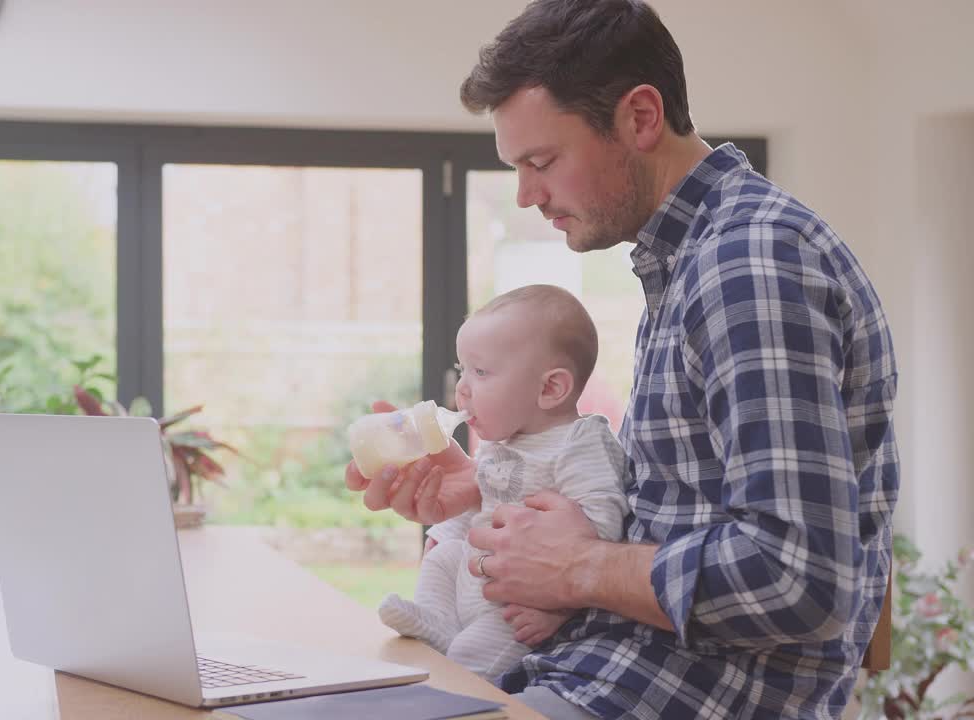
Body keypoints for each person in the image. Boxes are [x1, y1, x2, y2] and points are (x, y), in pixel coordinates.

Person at [345, 1, 899, 718]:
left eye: (542, 162)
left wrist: (577, 567)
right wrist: (489, 492)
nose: (527, 195)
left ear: (640, 117)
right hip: (598, 671)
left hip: (676, 696)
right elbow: (679, 514)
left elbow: (801, 580)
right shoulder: (691, 258)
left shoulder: (748, 264)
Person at [377, 284, 629, 682]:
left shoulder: (579, 443)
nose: (462, 388)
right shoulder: (501, 442)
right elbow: (485, 503)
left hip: (519, 604)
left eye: (480, 372)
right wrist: (446, 530)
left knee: (467, 660)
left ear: (550, 388)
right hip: (480, 575)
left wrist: (557, 604)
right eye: (463, 370)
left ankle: (453, 657)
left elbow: (602, 523)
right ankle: (438, 622)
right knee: (444, 557)